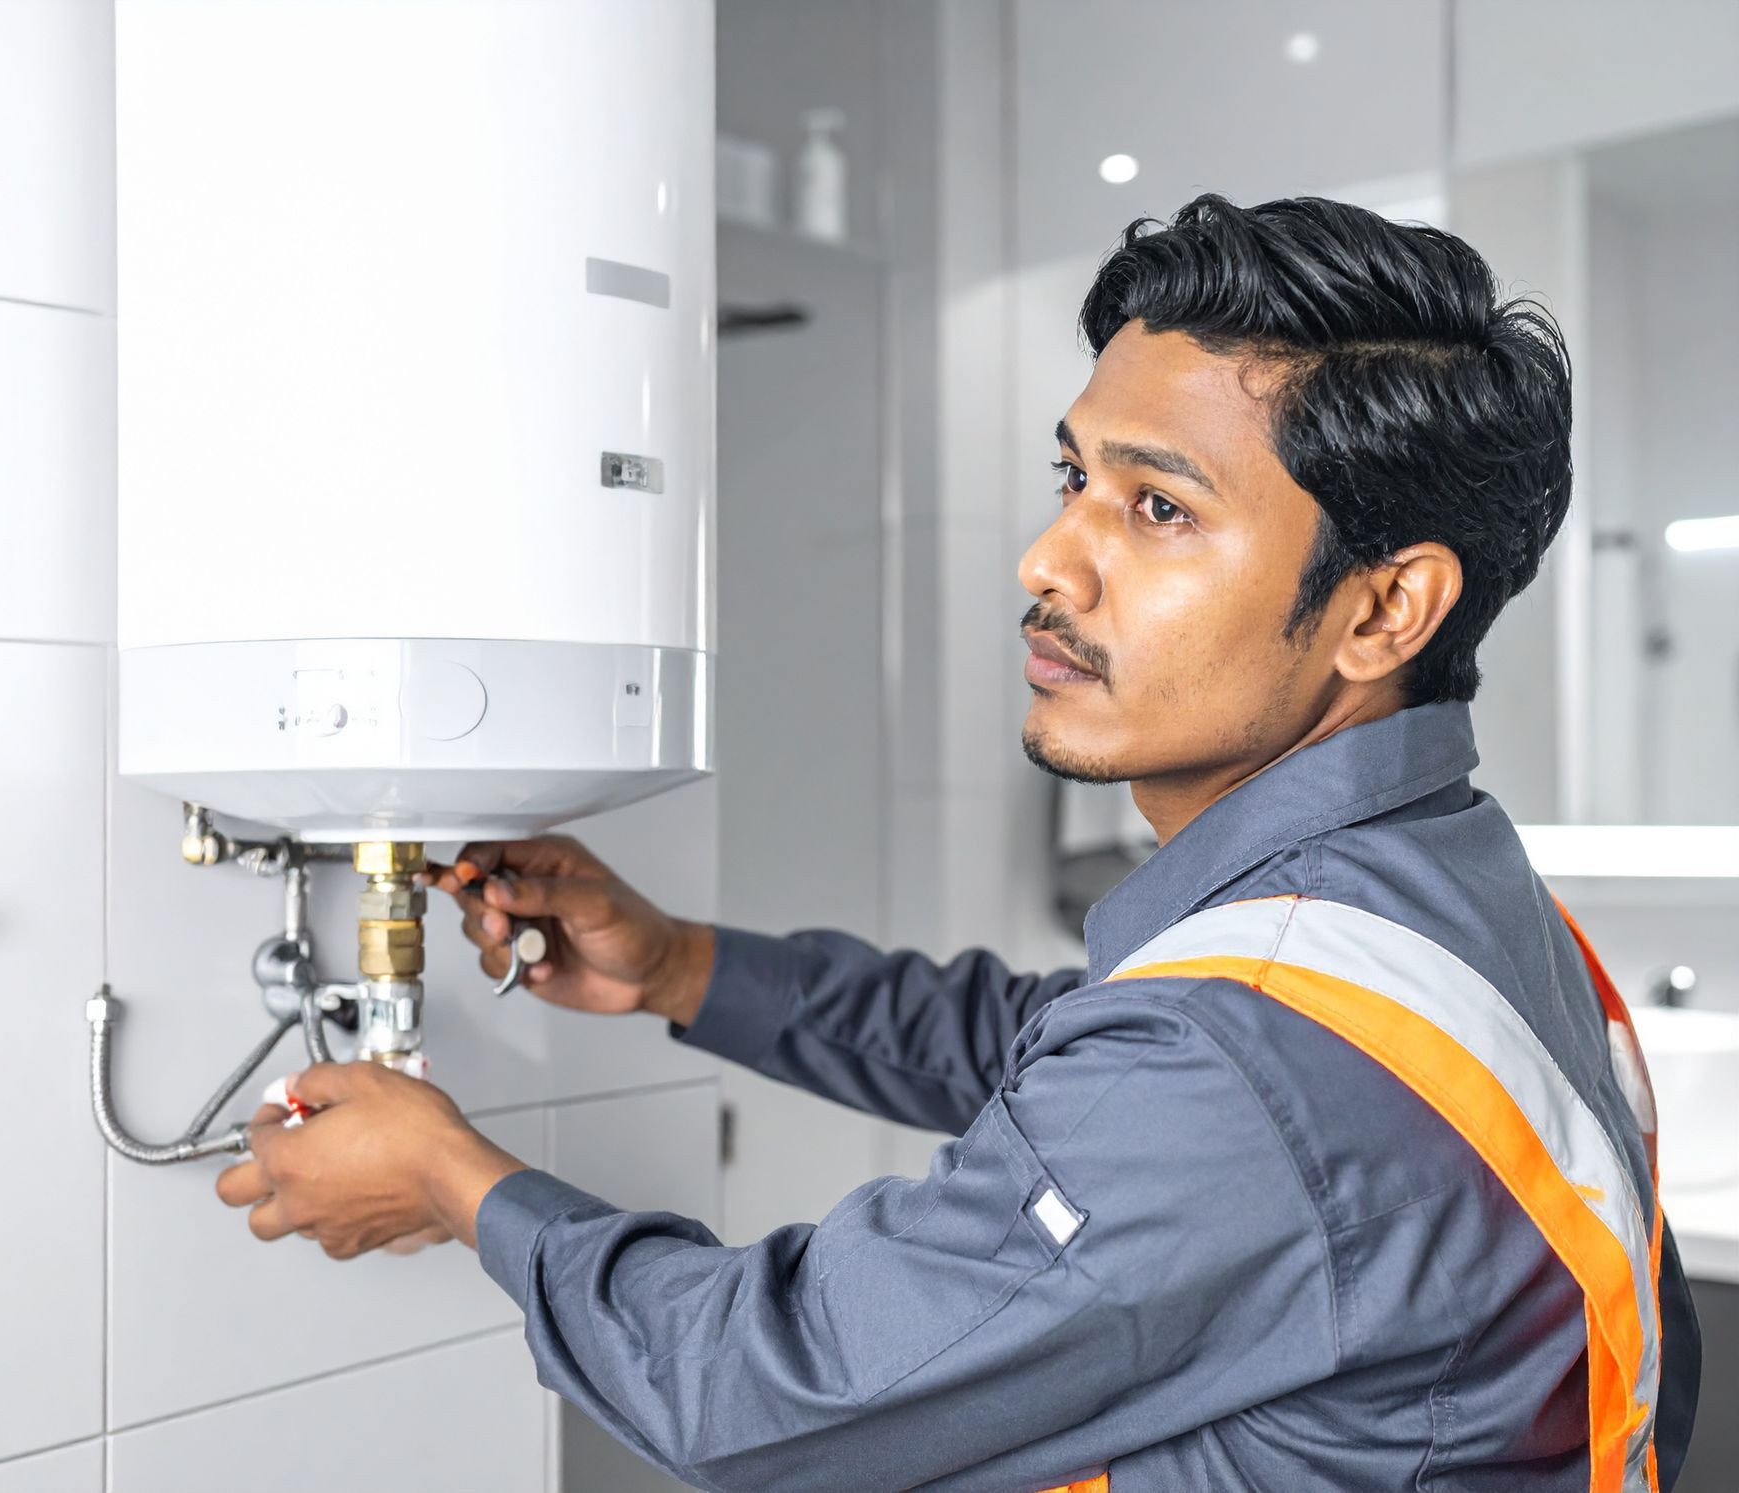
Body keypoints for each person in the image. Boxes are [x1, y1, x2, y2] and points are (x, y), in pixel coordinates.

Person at [216, 194, 1701, 1492]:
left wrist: (457, 1186)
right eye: (1077, 480)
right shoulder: (1451, 896)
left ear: (1387, 609)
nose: (1050, 560)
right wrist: (681, 966)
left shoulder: (1248, 1057)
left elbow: (763, 1391)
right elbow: (1068, 1049)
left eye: (1160, 508)